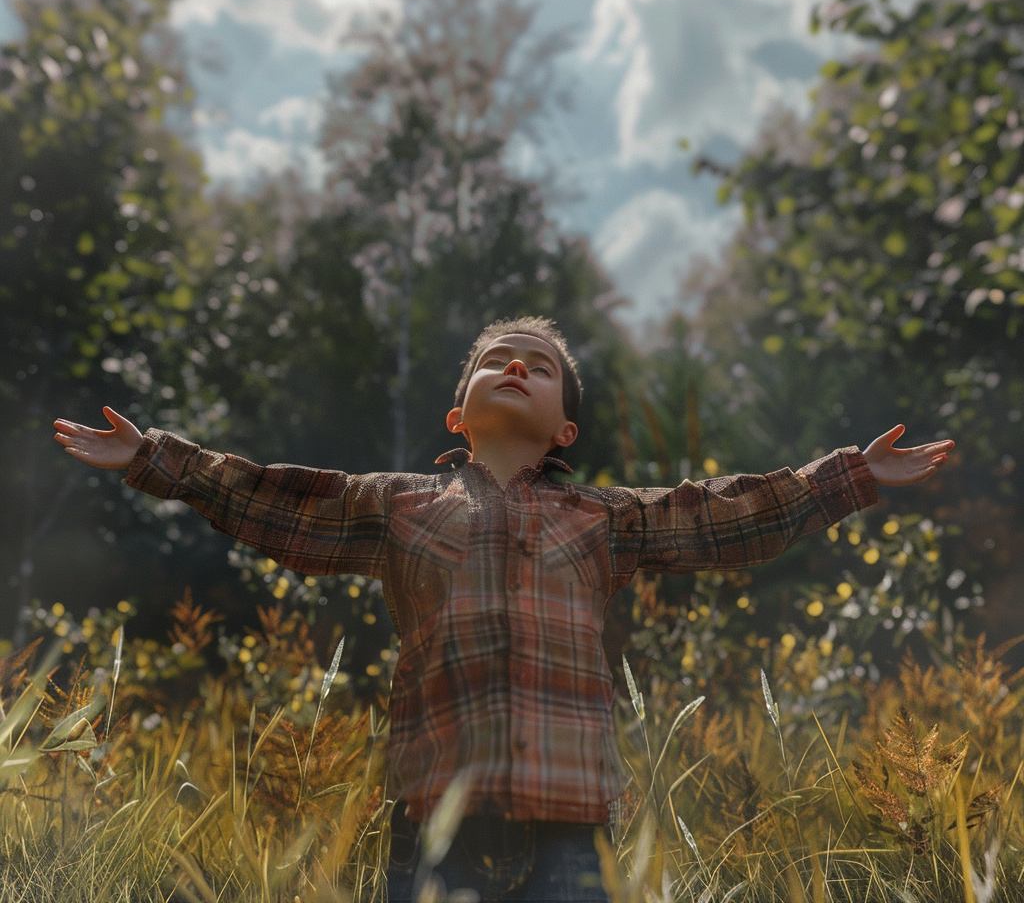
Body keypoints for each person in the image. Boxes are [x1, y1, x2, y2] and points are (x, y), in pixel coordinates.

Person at [53, 316, 953, 903]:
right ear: (458, 414)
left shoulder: (605, 518)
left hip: (574, 834)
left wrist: (851, 475)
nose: (517, 365)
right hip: (434, 827)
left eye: (542, 368)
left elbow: (726, 517)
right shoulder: (396, 505)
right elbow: (271, 499)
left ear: (565, 428)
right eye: (495, 362)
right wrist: (151, 459)